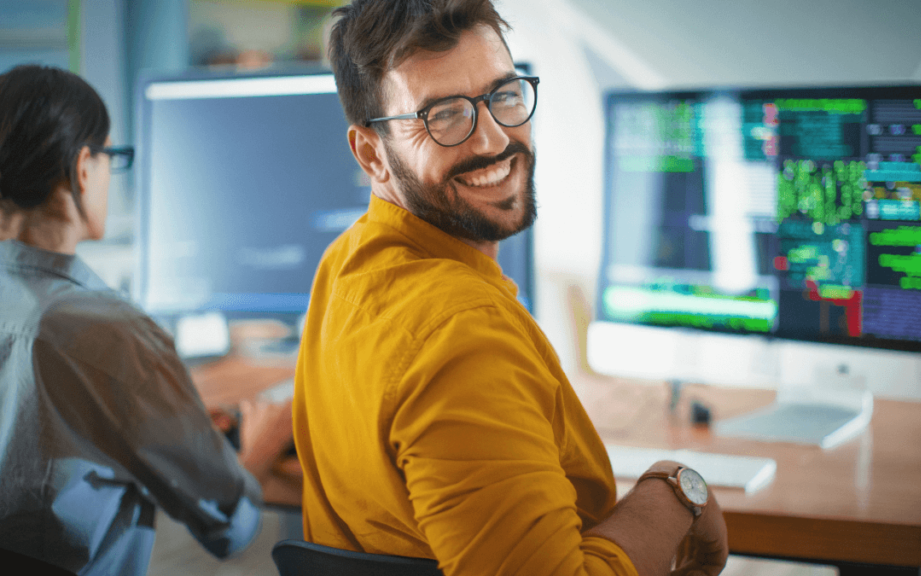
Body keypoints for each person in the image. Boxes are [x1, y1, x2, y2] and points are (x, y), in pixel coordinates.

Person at [292, 1, 729, 575]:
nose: (494, 140)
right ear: (373, 154)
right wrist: (676, 492)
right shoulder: (463, 333)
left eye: (504, 95)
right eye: (443, 116)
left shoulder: (345, 265)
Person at [0, 64, 294, 575]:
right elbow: (229, 525)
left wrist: (170, 418)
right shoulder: (111, 331)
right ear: (84, 167)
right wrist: (262, 443)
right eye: (113, 158)